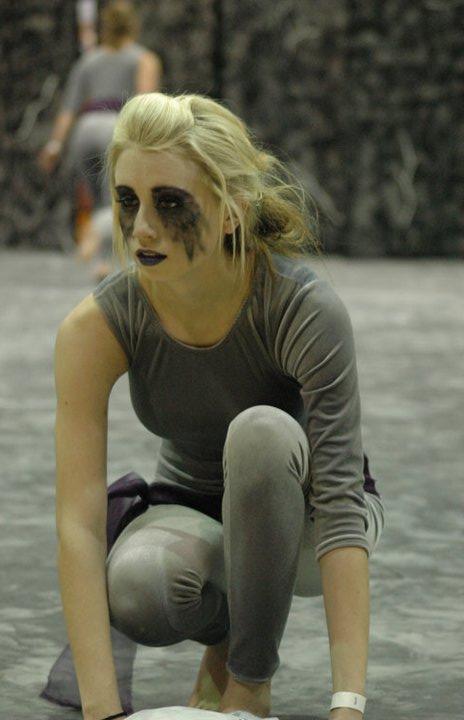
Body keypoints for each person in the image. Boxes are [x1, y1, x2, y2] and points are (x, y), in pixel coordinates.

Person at [41, 92, 385, 720]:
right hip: (194, 507)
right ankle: (229, 635)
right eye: (127, 201)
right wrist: (102, 711)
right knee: (141, 584)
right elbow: (80, 525)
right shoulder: (95, 328)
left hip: (312, 518)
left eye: (170, 203)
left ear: (232, 212)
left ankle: (249, 684)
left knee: (260, 433)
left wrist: (348, 705)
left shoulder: (302, 308)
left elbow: (340, 505)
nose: (142, 228)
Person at [38, 0, 161, 280]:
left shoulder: (88, 61)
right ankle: (107, 249)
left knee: (96, 198)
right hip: (116, 127)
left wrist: (54, 145)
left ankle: (101, 262)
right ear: (134, 26)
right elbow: (146, 102)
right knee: (116, 198)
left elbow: (68, 109)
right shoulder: (144, 59)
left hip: (85, 130)